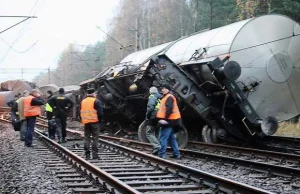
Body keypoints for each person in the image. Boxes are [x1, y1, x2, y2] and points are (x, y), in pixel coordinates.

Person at [156, 84, 181, 159]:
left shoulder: (169, 97)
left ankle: (162, 154)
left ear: (167, 89)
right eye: (162, 88)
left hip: (168, 121)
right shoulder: (166, 97)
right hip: (171, 120)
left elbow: (169, 109)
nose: (162, 89)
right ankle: (177, 154)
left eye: (164, 88)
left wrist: (165, 119)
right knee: (171, 139)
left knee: (163, 138)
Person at [80, 88, 103, 159]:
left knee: (87, 138)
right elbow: (100, 113)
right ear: (93, 93)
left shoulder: (83, 101)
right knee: (95, 138)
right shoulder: (96, 101)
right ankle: (95, 155)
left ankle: (87, 154)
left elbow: (80, 112)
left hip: (86, 122)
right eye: (95, 93)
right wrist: (100, 121)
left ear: (87, 94)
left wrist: (83, 120)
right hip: (95, 122)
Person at [145, 86, 161, 155]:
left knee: (149, 132)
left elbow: (150, 107)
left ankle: (157, 147)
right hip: (160, 116)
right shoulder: (160, 97)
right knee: (157, 132)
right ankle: (159, 147)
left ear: (151, 91)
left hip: (153, 116)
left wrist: (147, 116)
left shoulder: (152, 96)